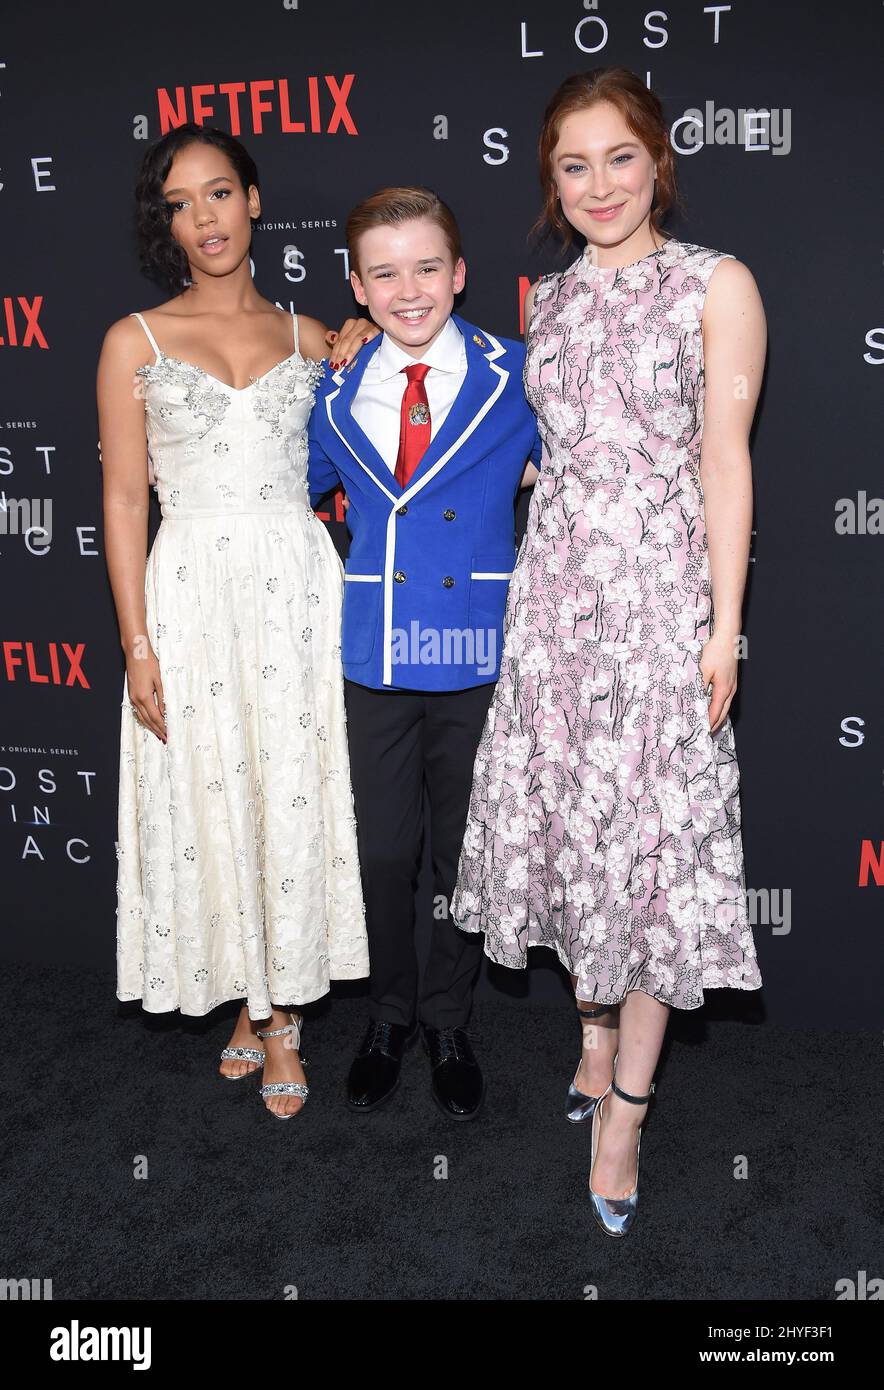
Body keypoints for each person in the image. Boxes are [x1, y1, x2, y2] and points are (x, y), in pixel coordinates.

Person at [451, 68, 766, 1229]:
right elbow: (540, 440)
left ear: (657, 161)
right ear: (549, 180)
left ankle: (626, 1108)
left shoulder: (713, 284)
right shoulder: (551, 296)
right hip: (554, 604)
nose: (597, 185)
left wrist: (721, 625)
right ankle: (589, 1040)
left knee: (646, 850)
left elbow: (723, 461)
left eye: (617, 158)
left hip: (658, 605)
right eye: (571, 166)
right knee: (571, 828)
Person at [99, 123, 375, 1120]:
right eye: (180, 203)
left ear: (254, 202)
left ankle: (285, 1013)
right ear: (165, 223)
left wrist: (357, 343)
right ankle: (246, 999)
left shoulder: (313, 338)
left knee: (287, 786)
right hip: (188, 592)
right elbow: (126, 503)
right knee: (210, 787)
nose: (204, 217)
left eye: (219, 193)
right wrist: (137, 642)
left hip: (294, 588)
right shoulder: (134, 339)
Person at [307, 187, 541, 1120]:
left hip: (477, 652)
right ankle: (388, 1013)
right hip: (374, 653)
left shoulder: (517, 372)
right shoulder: (332, 389)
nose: (410, 291)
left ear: (461, 273)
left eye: (428, 267)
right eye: (386, 272)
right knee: (381, 853)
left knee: (459, 856)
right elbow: (296, 495)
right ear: (356, 286)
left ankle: (448, 1015)